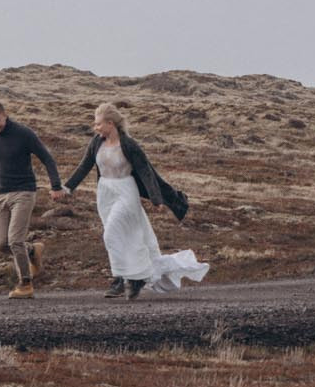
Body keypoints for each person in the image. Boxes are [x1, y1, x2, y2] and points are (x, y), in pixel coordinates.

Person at [63, 102, 207, 299]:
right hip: (105, 193)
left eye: (98, 124)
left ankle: (120, 279)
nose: (95, 128)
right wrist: (67, 188)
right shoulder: (96, 143)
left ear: (111, 124)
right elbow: (84, 167)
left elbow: (146, 172)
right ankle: (134, 278)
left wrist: (156, 199)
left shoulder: (129, 145)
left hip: (125, 191)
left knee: (111, 234)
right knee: (124, 238)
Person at [0, 99, 64, 299]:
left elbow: (47, 158)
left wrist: (56, 186)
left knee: (15, 240)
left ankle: (25, 284)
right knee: (1, 244)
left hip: (24, 192)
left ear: (4, 115)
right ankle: (32, 251)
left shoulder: (24, 133)